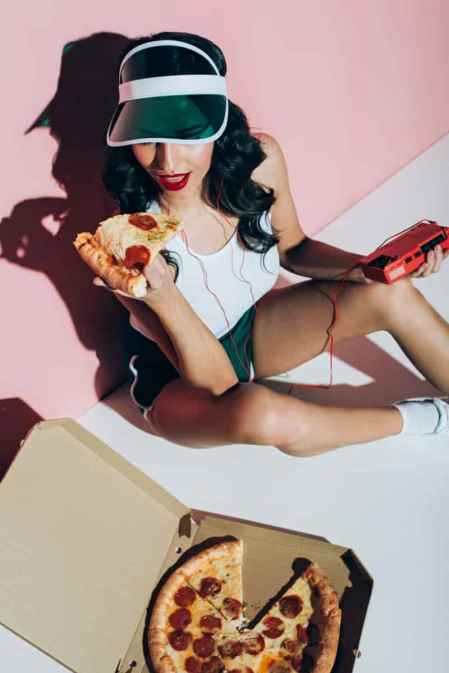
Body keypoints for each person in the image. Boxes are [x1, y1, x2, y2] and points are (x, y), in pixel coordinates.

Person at [92, 31, 449, 456]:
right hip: (180, 381)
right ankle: (422, 419)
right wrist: (163, 295)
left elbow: (294, 249)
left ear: (219, 123)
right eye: (148, 138)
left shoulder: (259, 162)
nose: (167, 162)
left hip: (251, 331)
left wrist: (369, 270)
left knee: (392, 292)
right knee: (261, 413)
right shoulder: (127, 241)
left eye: (188, 135)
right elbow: (221, 384)